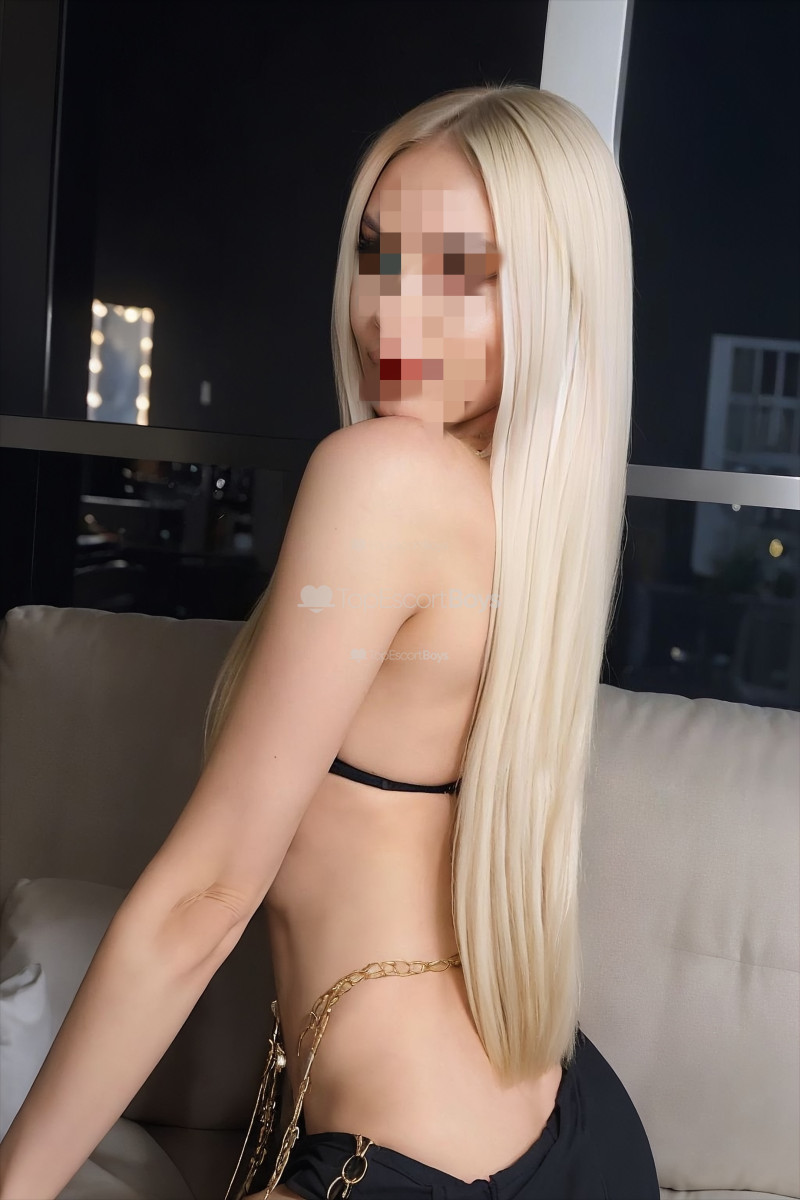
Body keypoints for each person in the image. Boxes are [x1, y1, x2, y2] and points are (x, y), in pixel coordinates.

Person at [0, 84, 659, 1200]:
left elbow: (205, 901)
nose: (393, 314)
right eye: (377, 255)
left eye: (462, 271)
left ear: (555, 300)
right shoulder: (523, 513)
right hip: (570, 1125)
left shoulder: (384, 477)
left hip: (404, 1158)